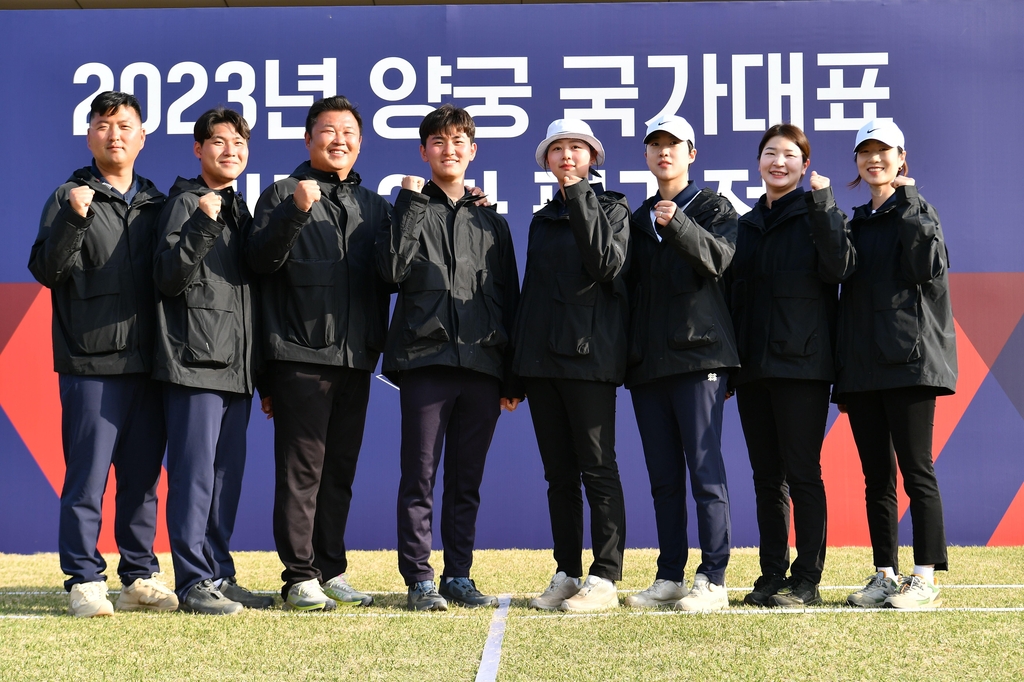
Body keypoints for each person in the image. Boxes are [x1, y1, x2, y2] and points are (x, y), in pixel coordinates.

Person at [28, 91, 177, 617]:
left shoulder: (159, 204)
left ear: (143, 136)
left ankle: (140, 576)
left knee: (142, 480)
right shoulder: (69, 196)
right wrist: (74, 219)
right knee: (87, 478)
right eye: (104, 125)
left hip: (150, 363)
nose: (115, 134)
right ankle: (85, 579)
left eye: (125, 125)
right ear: (90, 134)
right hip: (90, 362)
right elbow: (48, 272)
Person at [247, 96, 392, 611]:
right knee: (301, 470)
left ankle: (330, 569)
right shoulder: (283, 193)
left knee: (339, 472)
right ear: (308, 139)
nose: (339, 140)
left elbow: (397, 268)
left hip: (355, 359)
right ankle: (299, 576)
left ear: (360, 141)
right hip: (299, 357)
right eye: (328, 130)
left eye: (349, 131)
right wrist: (296, 210)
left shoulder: (374, 205)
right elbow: (260, 265)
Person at [376, 104, 522, 611]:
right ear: (423, 151)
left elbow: (509, 297)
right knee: (418, 477)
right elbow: (390, 271)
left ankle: (459, 574)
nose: (450, 150)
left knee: (466, 481)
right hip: (425, 361)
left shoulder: (492, 221)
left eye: (459, 141)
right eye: (439, 142)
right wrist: (411, 203)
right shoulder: (410, 208)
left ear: (473, 150)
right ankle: (419, 578)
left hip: (482, 365)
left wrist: (511, 374)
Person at [728, 123, 855, 607]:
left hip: (802, 364)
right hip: (754, 367)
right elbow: (735, 297)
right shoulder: (746, 224)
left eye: (788, 155)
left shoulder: (816, 212)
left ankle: (807, 580)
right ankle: (770, 575)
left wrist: (824, 205)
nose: (778, 162)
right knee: (767, 479)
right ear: (759, 162)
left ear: (804, 166)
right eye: (770, 154)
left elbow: (840, 268)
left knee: (803, 473)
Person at [153, 107, 273, 615]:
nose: (231, 151)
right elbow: (167, 276)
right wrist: (204, 219)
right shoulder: (185, 202)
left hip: (235, 365)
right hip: (193, 361)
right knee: (194, 476)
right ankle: (191, 580)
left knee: (226, 477)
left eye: (240, 144)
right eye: (220, 142)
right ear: (198, 149)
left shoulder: (240, 207)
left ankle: (219, 573)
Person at [837, 120, 955, 609]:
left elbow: (926, 269)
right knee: (876, 477)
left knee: (917, 470)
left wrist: (907, 205)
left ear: (900, 158)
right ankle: (884, 573)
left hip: (910, 363)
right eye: (865, 152)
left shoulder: (919, 210)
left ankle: (924, 577)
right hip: (864, 369)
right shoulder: (857, 221)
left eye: (882, 151)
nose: (873, 160)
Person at [513, 119, 630, 613]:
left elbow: (606, 262)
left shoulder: (614, 207)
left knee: (597, 470)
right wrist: (517, 370)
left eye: (575, 148)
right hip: (542, 364)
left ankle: (604, 576)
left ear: (592, 158)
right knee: (558, 475)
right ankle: (566, 571)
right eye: (556, 149)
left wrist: (581, 196)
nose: (565, 156)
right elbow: (531, 295)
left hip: (590, 359)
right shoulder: (542, 219)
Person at [623, 116, 739, 612]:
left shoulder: (714, 206)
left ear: (691, 153)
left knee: (705, 472)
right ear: (646, 156)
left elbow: (718, 259)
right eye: (655, 146)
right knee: (663, 477)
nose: (663, 153)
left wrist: (679, 223)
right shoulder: (637, 216)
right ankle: (669, 575)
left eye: (673, 145)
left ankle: (713, 577)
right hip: (650, 365)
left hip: (701, 357)